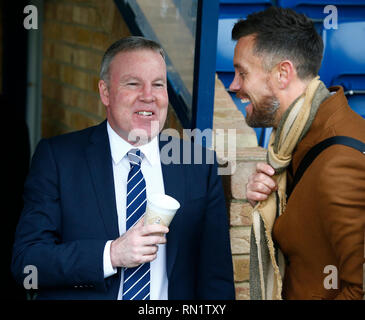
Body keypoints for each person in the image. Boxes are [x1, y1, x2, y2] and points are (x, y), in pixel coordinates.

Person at [11, 36, 235, 300]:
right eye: (133, 84)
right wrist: (112, 254)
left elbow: (216, 279)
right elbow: (28, 263)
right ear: (105, 92)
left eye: (158, 85)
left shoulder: (197, 164)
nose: (148, 96)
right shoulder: (58, 158)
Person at [229, 7, 365, 300]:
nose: (234, 86)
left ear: (282, 74)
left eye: (242, 73)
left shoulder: (339, 160)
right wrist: (272, 203)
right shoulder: (291, 144)